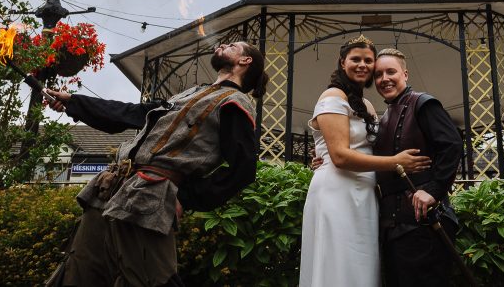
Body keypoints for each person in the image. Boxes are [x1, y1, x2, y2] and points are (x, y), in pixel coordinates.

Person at [44, 40, 267, 287]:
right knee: (80, 273)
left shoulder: (235, 102)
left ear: (245, 61)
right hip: (109, 188)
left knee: (150, 280)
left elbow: (244, 169)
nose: (223, 44)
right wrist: (74, 102)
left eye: (233, 45)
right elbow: (130, 113)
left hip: (149, 196)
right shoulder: (189, 94)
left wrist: (185, 197)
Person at [299, 35, 431, 287]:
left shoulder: (368, 104)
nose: (362, 65)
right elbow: (339, 156)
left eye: (368, 60)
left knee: (362, 265)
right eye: (355, 59)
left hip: (366, 194)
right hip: (337, 191)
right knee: (339, 263)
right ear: (342, 62)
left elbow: (372, 146)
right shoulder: (332, 96)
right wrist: (395, 162)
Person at [372, 48, 463, 287]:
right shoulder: (385, 115)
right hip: (393, 225)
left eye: (391, 71)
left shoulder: (423, 103)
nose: (384, 79)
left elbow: (452, 145)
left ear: (405, 73)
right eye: (378, 74)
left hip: (422, 225)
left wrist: (433, 190)